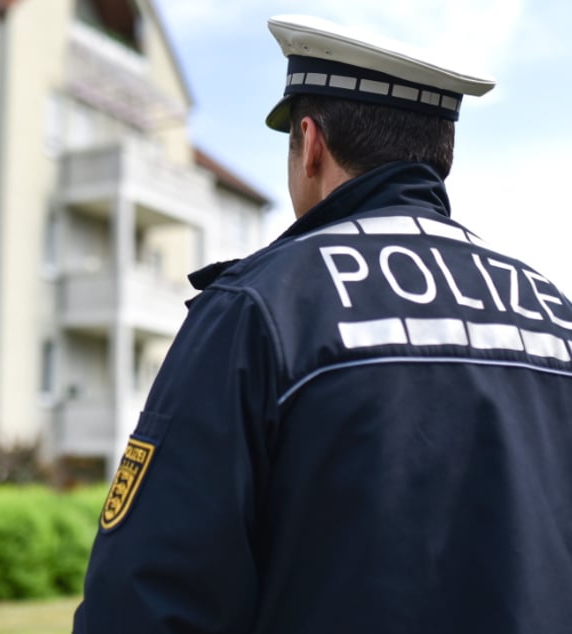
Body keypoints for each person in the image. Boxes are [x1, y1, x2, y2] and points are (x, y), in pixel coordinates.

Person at [73, 14, 572, 634]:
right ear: (441, 154)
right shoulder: (555, 316)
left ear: (310, 143)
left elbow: (144, 603)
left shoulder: (259, 307)